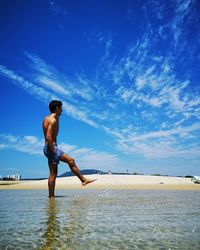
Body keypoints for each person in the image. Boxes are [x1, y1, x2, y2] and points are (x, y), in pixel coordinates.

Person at [42, 100, 96, 197]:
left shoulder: (47, 118)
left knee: (68, 163)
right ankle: (51, 197)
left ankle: (52, 198)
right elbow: (48, 137)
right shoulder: (52, 120)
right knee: (55, 172)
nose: (62, 110)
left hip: (49, 147)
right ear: (57, 108)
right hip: (51, 148)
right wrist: (53, 150)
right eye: (61, 108)